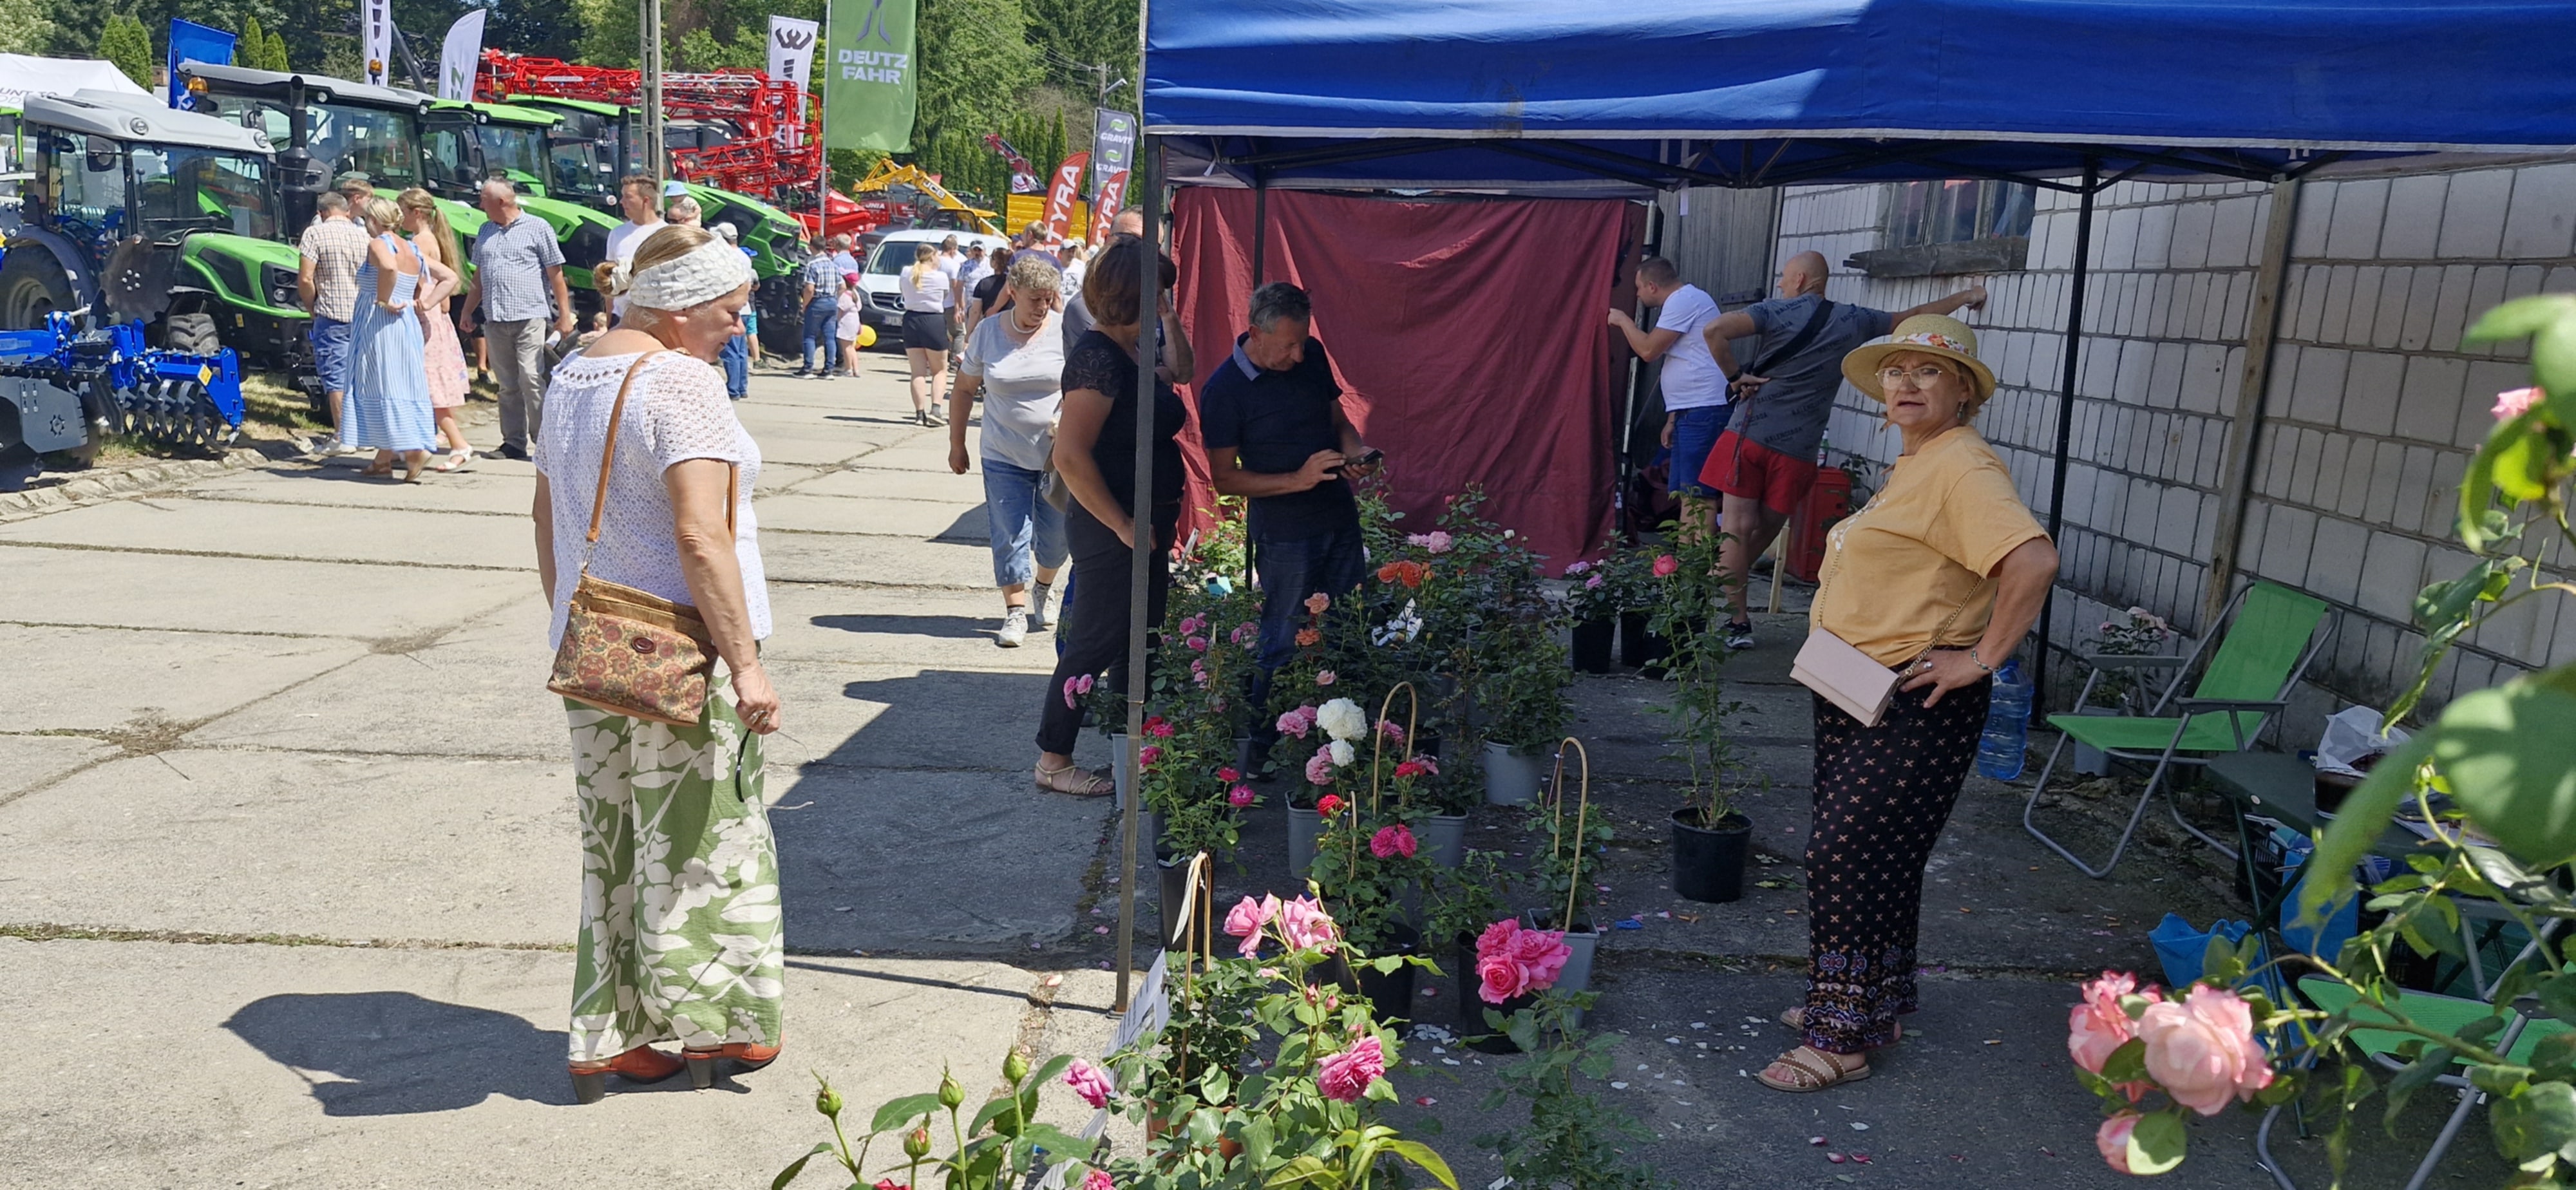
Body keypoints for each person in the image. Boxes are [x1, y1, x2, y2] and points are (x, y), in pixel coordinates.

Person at [1756, 316, 2058, 1095]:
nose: (1907, 384)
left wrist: (1981, 658)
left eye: (1929, 372)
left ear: (1963, 393)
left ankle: (1841, 1039)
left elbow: (2031, 560)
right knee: (1878, 856)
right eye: (1896, 371)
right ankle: (1863, 1003)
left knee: (1843, 853)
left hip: (1913, 695)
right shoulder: (1919, 461)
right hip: (1856, 685)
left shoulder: (1961, 465)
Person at [529, 223, 783, 1104]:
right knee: (709, 839)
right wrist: (746, 666)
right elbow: (701, 536)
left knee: (618, 847)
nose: (739, 327)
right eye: (730, 310)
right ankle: (721, 1021)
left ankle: (612, 1035)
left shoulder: (574, 372)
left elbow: (544, 515)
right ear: (679, 310)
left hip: (596, 648)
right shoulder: (681, 381)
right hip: (685, 653)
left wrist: (570, 620)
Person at [1691, 252, 1987, 650]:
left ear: (1800, 279)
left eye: (1784, 278)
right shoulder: (1854, 320)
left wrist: (1735, 376)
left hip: (1749, 434)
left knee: (1736, 530)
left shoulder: (1773, 310)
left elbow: (1714, 330)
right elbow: (1913, 318)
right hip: (1799, 447)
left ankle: (1735, 620)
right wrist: (1967, 296)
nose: (1780, 285)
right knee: (1763, 531)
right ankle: (1720, 595)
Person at [1034, 235, 1193, 796]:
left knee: (1140, 638)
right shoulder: (1098, 359)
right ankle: (1054, 759)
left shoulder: (1133, 349)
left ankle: (1134, 745)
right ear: (1133, 297)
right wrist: (1123, 525)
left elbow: (1183, 370)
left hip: (1145, 522)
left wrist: (1167, 317)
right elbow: (1070, 456)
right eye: (1158, 292)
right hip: (1112, 525)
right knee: (1096, 640)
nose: (1164, 300)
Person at [1198, 282, 1378, 746]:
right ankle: (1263, 748)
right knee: (1282, 639)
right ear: (1255, 333)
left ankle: (1346, 744)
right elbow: (1225, 478)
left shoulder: (1311, 355)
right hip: (1285, 533)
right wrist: (1297, 479)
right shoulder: (1224, 390)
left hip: (1338, 516)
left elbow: (1338, 421)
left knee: (1349, 631)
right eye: (1288, 346)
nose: (1298, 355)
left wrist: (1356, 451)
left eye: (1303, 342)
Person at [949, 255, 1069, 648]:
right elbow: (964, 389)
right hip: (1002, 453)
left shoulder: (1065, 331)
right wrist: (956, 444)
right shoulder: (988, 332)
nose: (1042, 307)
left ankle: (1044, 587)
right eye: (1034, 299)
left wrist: (1068, 415)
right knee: (1010, 533)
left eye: (1048, 299)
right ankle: (1015, 611)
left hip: (1057, 457)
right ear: (1013, 293)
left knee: (1056, 539)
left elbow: (1085, 385)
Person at [1606, 257, 1728, 541]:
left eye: (1639, 288)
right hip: (1690, 410)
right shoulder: (1685, 301)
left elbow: (1649, 351)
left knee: (1700, 494)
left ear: (1652, 286)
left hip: (1704, 409)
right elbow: (1685, 359)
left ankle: (1698, 561)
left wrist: (1623, 321)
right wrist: (1673, 418)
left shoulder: (1683, 300)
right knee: (1686, 493)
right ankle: (1686, 559)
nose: (1637, 295)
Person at [460, 179, 575, 460]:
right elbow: (479, 276)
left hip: (529, 316)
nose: (480, 204)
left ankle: (546, 442)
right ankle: (513, 442)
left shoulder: (538, 227)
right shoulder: (486, 230)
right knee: (507, 384)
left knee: (531, 377)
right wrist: (467, 310)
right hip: (496, 317)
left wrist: (564, 315)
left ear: (501, 202)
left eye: (484, 199)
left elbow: (556, 274)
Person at [341, 198, 450, 482]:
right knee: (398, 381)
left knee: (381, 381)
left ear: (374, 220)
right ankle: (383, 459)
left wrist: (383, 299)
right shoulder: (411, 248)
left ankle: (413, 450)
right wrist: (426, 304)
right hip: (405, 323)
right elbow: (449, 277)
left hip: (380, 321)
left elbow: (389, 268)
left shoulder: (379, 243)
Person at [397, 188, 473, 470]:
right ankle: (411, 443)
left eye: (403, 213)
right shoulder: (431, 239)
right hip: (435, 320)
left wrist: (419, 301)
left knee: (430, 387)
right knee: (428, 386)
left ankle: (459, 444)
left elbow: (419, 283)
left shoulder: (419, 242)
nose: (400, 219)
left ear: (416, 213)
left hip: (425, 319)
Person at [296, 191, 369, 453]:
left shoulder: (314, 234)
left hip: (331, 313)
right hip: (363, 314)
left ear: (321, 213)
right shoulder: (364, 236)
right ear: (347, 211)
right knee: (360, 375)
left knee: (336, 376)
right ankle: (364, 433)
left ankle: (343, 435)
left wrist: (310, 307)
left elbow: (306, 278)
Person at [1061, 209, 1144, 353]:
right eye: (1127, 239)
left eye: (1145, 244)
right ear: (1107, 241)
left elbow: (1181, 364)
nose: (1135, 249)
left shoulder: (1157, 302)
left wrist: (1169, 318)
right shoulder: (1085, 305)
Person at [898, 243, 954, 426]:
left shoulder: (906, 272)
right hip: (933, 320)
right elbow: (943, 297)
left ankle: (919, 414)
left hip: (911, 320)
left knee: (917, 372)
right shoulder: (940, 277)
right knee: (940, 370)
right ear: (932, 257)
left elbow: (903, 292)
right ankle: (935, 410)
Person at [603, 175, 665, 319]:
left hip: (655, 318)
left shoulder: (666, 234)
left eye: (628, 197)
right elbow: (610, 279)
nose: (621, 201)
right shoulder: (617, 233)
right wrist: (609, 319)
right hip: (621, 317)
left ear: (646, 201)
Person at [795, 236, 846, 377]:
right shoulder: (833, 265)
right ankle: (829, 369)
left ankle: (808, 368)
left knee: (810, 336)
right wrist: (835, 297)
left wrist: (804, 305)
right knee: (830, 337)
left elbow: (809, 289)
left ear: (812, 247)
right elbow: (842, 286)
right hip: (832, 302)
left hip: (817, 302)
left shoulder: (812, 265)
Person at [714, 223, 752, 399]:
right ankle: (742, 387)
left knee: (730, 351)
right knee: (741, 351)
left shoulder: (726, 256)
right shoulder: (745, 257)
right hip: (745, 308)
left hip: (731, 309)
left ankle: (733, 389)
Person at [963, 246, 1014, 341]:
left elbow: (975, 311)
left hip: (990, 327)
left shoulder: (984, 284)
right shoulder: (1014, 284)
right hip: (1011, 326)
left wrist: (969, 333)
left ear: (994, 263)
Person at [835, 278, 864, 377]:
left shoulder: (844, 295)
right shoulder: (855, 293)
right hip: (855, 320)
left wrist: (837, 320)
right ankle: (856, 369)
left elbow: (840, 310)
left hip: (846, 322)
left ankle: (848, 369)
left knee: (846, 348)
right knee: (852, 347)